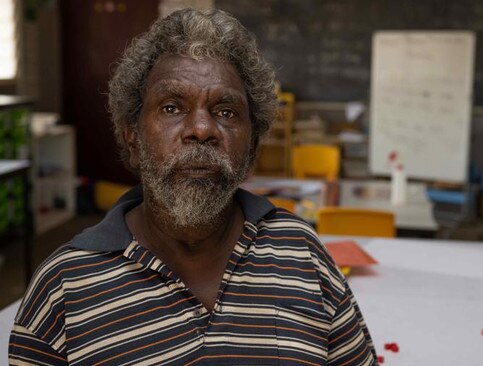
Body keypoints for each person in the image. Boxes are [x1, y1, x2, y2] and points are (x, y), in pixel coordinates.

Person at [9, 9, 376, 365]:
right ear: (133, 138)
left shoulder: (301, 253)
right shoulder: (64, 287)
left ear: (251, 147)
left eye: (226, 111)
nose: (201, 129)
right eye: (171, 107)